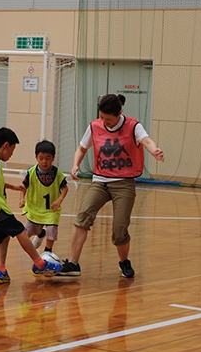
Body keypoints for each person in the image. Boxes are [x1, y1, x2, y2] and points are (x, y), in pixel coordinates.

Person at [58, 94, 164, 278]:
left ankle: (124, 262)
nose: (104, 122)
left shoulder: (133, 126)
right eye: (101, 117)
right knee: (83, 216)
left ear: (119, 113)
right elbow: (82, 148)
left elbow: (146, 140)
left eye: (108, 119)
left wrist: (154, 150)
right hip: (100, 181)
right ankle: (73, 264)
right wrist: (76, 164)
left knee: (119, 228)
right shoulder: (95, 126)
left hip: (124, 183)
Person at [0, 127, 62, 284]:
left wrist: (14, 187)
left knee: (3, 237)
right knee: (20, 230)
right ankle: (40, 264)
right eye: (12, 149)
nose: (12, 154)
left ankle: (1, 271)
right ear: (6, 145)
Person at [19, 140, 69, 253]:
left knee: (52, 230)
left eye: (48, 158)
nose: (44, 161)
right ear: (36, 157)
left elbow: (65, 188)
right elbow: (24, 186)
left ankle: (48, 252)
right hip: (35, 208)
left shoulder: (57, 173)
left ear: (53, 158)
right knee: (27, 233)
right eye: (41, 158)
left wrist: (59, 200)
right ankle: (41, 233)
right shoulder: (31, 172)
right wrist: (22, 199)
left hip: (51, 210)